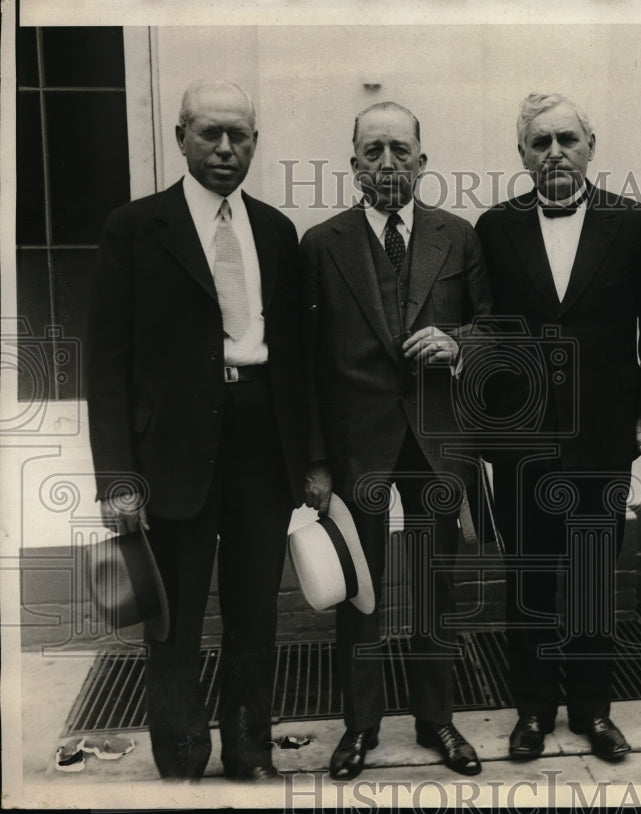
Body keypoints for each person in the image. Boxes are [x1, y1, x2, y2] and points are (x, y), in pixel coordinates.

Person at [86, 80, 306, 781]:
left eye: (239, 135)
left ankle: (250, 752)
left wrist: (308, 461)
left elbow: (297, 358)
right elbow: (107, 364)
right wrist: (118, 479)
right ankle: (180, 755)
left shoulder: (275, 230)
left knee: (253, 614)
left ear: (254, 144)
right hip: (172, 450)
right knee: (172, 619)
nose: (224, 148)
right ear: (181, 136)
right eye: (210, 134)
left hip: (259, 444)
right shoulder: (135, 228)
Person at [474, 93, 641, 762]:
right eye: (539, 142)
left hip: (601, 433)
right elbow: (482, 334)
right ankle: (532, 711)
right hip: (521, 438)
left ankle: (592, 712)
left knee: (592, 576)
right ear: (522, 154)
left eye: (566, 138)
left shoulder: (633, 224)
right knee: (528, 578)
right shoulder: (495, 228)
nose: (553, 151)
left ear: (591, 145)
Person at [300, 101, 492, 779]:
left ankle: (437, 720)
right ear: (353, 165)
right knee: (361, 589)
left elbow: (496, 325)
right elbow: (307, 362)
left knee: (438, 585)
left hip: (439, 439)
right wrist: (318, 460)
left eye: (400, 151)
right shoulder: (321, 244)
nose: (387, 163)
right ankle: (360, 728)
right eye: (373, 151)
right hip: (359, 445)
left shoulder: (458, 238)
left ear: (422, 161)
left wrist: (458, 341)